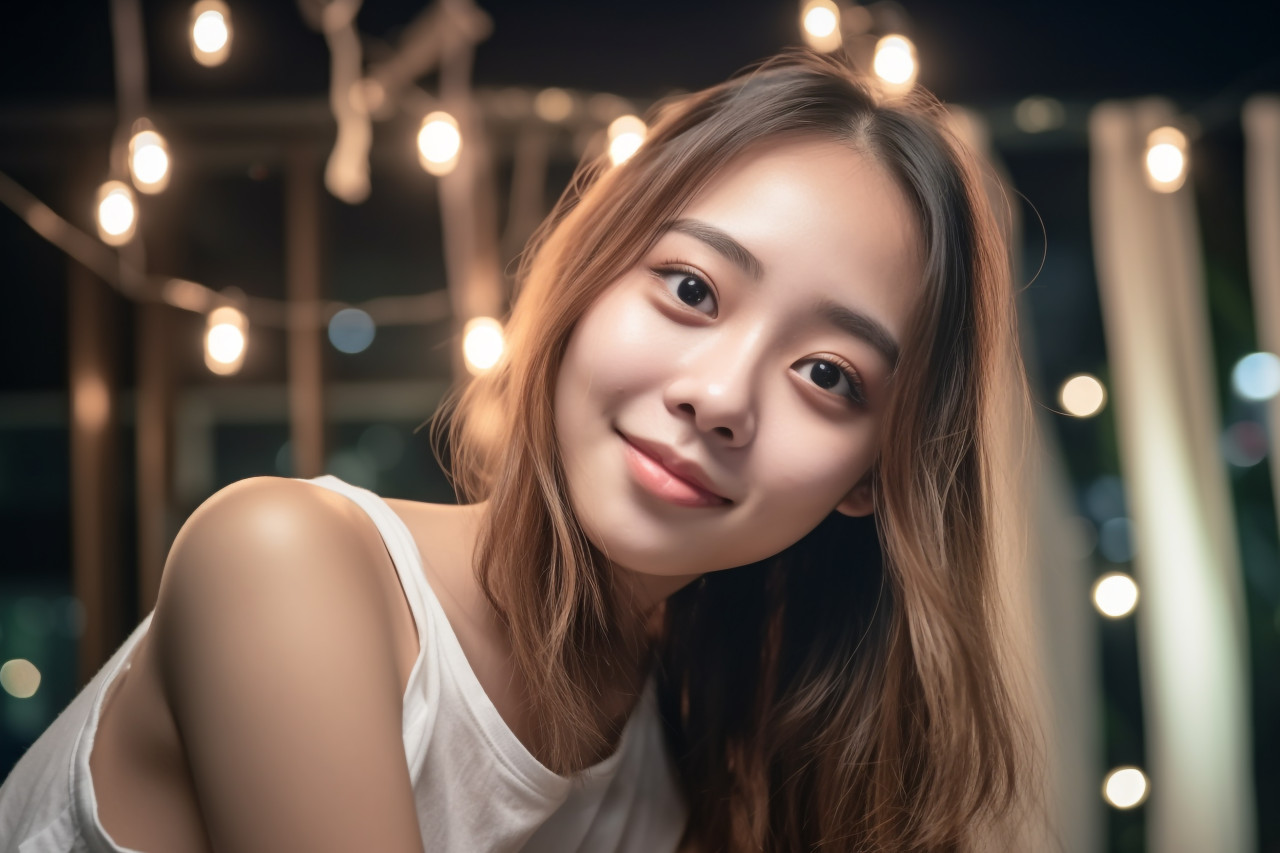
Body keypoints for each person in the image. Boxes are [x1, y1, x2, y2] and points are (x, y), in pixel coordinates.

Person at [1, 49, 1038, 852]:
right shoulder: (280, 561)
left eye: (826, 374)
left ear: (872, 475)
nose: (719, 397)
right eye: (688, 288)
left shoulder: (689, 749)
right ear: (586, 282)